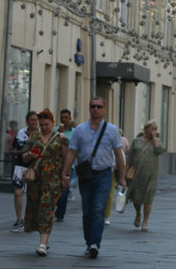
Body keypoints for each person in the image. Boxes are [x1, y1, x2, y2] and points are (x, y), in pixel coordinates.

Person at [61, 96, 126, 259]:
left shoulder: (111, 130)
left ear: (104, 109)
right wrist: (65, 173)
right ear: (89, 109)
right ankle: (89, 241)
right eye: (93, 106)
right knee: (87, 211)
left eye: (99, 106)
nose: (95, 109)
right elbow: (72, 152)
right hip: (86, 176)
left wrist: (122, 177)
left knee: (98, 209)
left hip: (104, 174)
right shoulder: (80, 130)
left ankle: (94, 243)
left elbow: (119, 154)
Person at [21, 109, 69, 256]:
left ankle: (42, 243)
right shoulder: (34, 137)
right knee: (36, 208)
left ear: (53, 123)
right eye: (41, 124)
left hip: (53, 179)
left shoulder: (60, 138)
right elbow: (24, 158)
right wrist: (30, 154)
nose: (44, 127)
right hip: (36, 179)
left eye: (47, 124)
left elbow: (67, 159)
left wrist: (65, 176)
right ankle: (45, 240)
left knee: (47, 208)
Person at [127, 120, 165, 231]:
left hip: (151, 175)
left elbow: (160, 151)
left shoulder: (156, 142)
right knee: (136, 198)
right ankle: (138, 213)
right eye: (152, 129)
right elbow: (130, 157)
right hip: (138, 174)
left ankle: (145, 222)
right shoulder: (137, 141)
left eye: (155, 129)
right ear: (146, 129)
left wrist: (155, 139)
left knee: (148, 198)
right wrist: (125, 171)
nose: (154, 131)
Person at [10, 110, 39, 232]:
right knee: (18, 193)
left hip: (34, 167)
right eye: (31, 120)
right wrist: (24, 151)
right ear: (27, 121)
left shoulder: (41, 133)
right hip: (20, 166)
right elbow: (13, 150)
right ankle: (19, 220)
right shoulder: (21, 133)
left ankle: (31, 220)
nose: (33, 122)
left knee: (33, 196)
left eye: (35, 120)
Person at [53, 109, 76, 222]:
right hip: (55, 163)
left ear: (70, 118)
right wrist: (58, 133)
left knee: (65, 189)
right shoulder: (56, 131)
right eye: (62, 117)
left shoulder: (74, 132)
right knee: (55, 188)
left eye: (66, 117)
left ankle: (60, 213)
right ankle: (56, 207)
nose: (63, 120)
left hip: (69, 165)